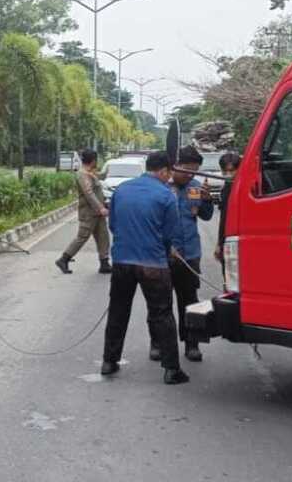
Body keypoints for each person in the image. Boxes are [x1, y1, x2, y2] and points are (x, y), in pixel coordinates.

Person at [100, 152, 190, 385]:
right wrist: (167, 249)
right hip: (153, 264)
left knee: (118, 312)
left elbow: (114, 224)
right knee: (162, 314)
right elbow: (170, 233)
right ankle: (171, 370)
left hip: (122, 262)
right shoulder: (165, 195)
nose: (169, 178)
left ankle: (109, 362)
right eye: (169, 173)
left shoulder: (122, 190)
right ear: (163, 171)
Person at [164, 146, 215, 363]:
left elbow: (205, 216)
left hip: (190, 254)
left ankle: (191, 344)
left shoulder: (195, 187)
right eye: (186, 170)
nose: (190, 175)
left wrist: (207, 200)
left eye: (194, 171)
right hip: (165, 255)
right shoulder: (162, 188)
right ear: (175, 165)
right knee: (161, 303)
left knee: (190, 302)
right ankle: (159, 344)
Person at [55, 150, 112, 274]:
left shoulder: (90, 173)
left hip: (97, 213)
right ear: (93, 161)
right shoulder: (82, 174)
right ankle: (64, 259)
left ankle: (104, 263)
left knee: (103, 237)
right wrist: (101, 208)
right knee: (82, 237)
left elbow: (98, 184)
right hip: (89, 213)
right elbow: (89, 193)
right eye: (96, 160)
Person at [213, 152, 242, 267]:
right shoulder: (227, 187)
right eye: (225, 171)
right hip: (228, 239)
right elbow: (223, 218)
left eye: (231, 171)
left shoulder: (241, 188)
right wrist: (219, 243)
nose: (228, 175)